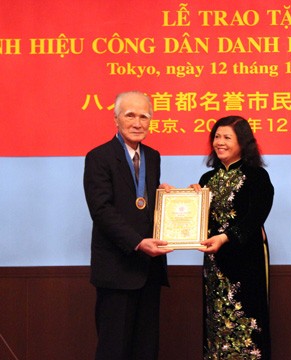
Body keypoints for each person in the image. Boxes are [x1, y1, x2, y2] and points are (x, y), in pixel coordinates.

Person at [83, 91, 172, 360]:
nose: (137, 122)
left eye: (144, 116)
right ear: (116, 119)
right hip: (117, 269)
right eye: (130, 115)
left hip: (149, 270)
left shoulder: (153, 156)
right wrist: (136, 242)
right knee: (114, 349)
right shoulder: (99, 157)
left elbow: (141, 202)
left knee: (146, 349)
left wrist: (171, 196)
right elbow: (101, 210)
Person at [190, 115, 274, 359]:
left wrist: (225, 238)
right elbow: (200, 224)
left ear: (243, 143)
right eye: (217, 136)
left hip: (246, 263)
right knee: (216, 323)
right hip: (215, 264)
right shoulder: (207, 179)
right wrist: (189, 198)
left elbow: (254, 219)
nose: (220, 142)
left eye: (227, 137)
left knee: (247, 326)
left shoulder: (257, 176)